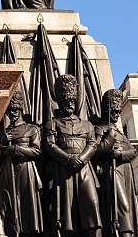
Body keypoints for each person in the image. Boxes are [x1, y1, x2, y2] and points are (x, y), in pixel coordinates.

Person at [45, 75, 102, 237]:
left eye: (72, 101)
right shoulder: (53, 123)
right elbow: (50, 145)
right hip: (63, 170)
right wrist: (68, 159)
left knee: (92, 204)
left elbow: (92, 144)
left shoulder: (87, 125)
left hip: (84, 169)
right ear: (60, 102)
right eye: (66, 101)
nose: (70, 104)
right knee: (66, 213)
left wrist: (82, 159)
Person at [0, 90, 43, 237]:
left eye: (16, 109)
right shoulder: (5, 132)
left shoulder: (31, 129)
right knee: (10, 209)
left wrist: (16, 149)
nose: (13, 113)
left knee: (28, 209)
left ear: (21, 109)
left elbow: (36, 151)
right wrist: (2, 143)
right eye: (10, 110)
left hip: (26, 172)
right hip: (8, 174)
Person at [94, 89, 138, 237]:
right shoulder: (100, 129)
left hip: (126, 172)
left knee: (130, 209)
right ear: (107, 110)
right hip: (113, 173)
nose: (117, 114)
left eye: (118, 111)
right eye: (114, 111)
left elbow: (133, 152)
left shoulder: (120, 133)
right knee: (122, 207)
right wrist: (108, 141)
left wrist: (120, 154)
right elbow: (95, 151)